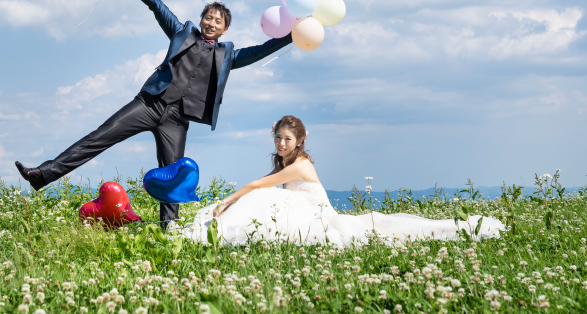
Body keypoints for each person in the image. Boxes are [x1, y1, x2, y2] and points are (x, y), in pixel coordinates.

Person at [15, 0, 294, 225]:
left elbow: (261, 51)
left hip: (177, 120)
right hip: (149, 103)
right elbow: (156, 5)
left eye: (217, 21)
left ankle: (168, 228)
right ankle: (43, 175)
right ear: (201, 20)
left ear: (225, 29)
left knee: (172, 176)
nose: (211, 23)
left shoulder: (228, 55)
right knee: (98, 137)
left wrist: (293, 35)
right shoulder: (181, 32)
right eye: (208, 17)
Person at [182, 115, 505, 246]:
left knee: (264, 198)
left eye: (287, 140)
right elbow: (262, 180)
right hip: (300, 207)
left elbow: (258, 185)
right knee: (263, 200)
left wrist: (226, 201)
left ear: (300, 141)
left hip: (317, 213)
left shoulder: (301, 164)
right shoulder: (283, 160)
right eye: (278, 138)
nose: (281, 144)